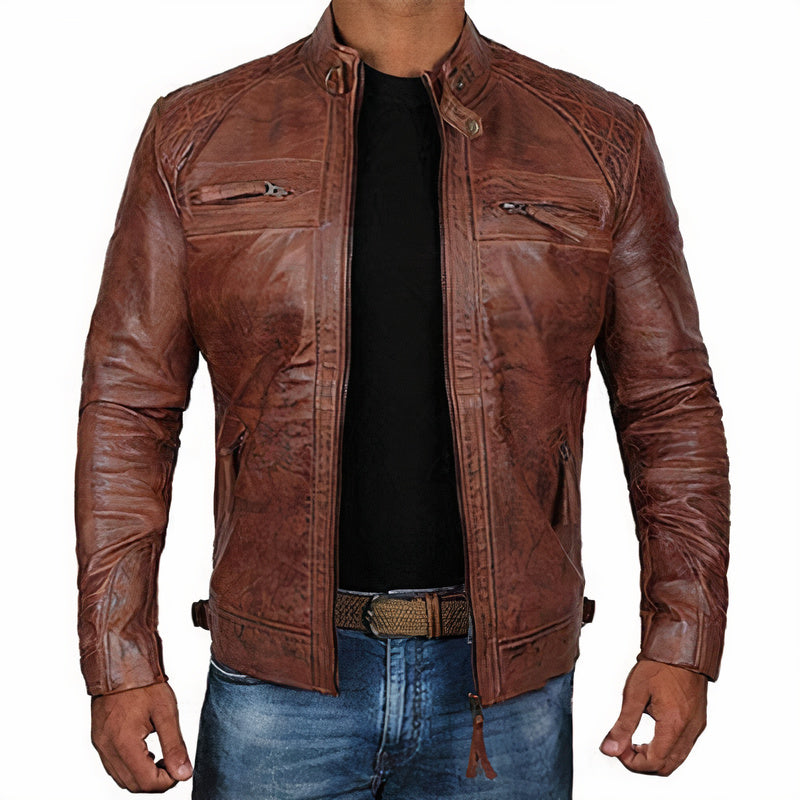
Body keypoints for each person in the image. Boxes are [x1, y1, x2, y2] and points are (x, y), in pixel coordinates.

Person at [75, 1, 730, 797]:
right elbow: (129, 405)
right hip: (277, 683)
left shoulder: (598, 139)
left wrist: (682, 638)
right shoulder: (197, 134)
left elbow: (668, 403)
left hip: (505, 689)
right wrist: (119, 657)